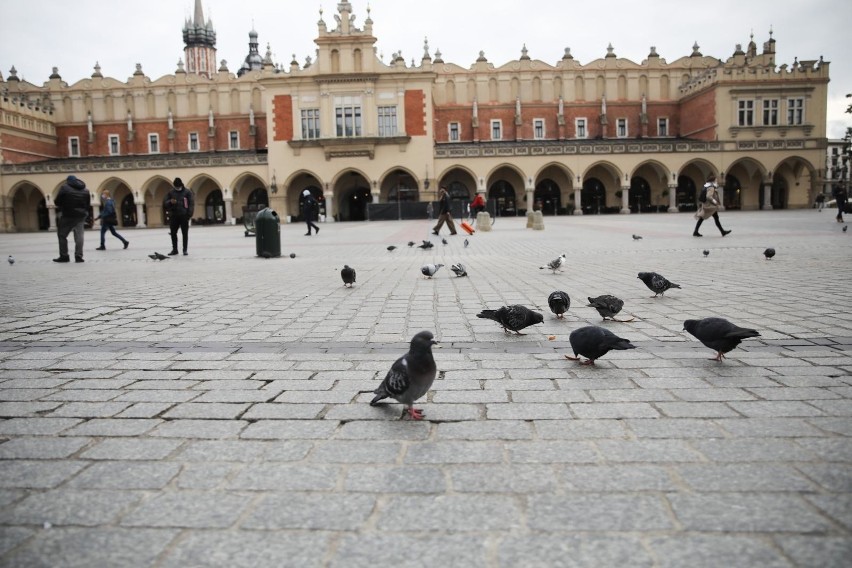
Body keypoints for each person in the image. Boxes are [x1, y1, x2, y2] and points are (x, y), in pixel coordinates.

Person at [53, 175, 91, 263]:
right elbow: (88, 204)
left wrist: (63, 206)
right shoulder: (85, 190)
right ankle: (79, 256)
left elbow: (57, 201)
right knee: (79, 236)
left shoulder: (64, 188)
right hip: (81, 215)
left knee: (62, 235)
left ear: (68, 181)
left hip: (68, 215)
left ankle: (64, 256)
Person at [163, 177, 194, 255]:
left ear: (181, 185)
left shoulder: (187, 192)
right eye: (176, 187)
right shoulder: (171, 192)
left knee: (185, 233)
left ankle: (185, 250)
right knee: (173, 233)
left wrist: (189, 215)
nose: (177, 188)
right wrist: (170, 201)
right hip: (174, 215)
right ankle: (175, 249)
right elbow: (165, 203)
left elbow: (191, 204)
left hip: (184, 216)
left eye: (178, 187)